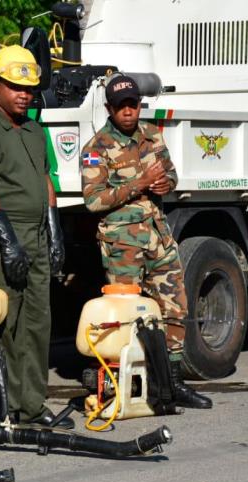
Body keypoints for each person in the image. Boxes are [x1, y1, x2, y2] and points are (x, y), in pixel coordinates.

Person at [80, 74, 211, 409]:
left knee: (175, 306)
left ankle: (173, 383)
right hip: (123, 244)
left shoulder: (152, 135)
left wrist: (166, 184)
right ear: (109, 108)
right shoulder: (96, 149)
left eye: (133, 104)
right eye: (121, 105)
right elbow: (94, 201)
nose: (128, 111)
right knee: (126, 315)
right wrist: (140, 183)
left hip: (158, 235)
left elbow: (169, 173)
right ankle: (121, 387)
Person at [0, 46, 71, 428]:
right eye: (15, 86)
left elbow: (45, 179)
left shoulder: (35, 131)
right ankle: (2, 409)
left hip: (37, 233)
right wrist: (7, 243)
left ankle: (33, 407)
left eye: (29, 88)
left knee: (38, 323)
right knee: (6, 325)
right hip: (2, 234)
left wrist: (55, 230)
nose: (24, 94)